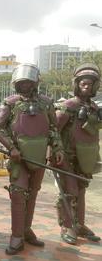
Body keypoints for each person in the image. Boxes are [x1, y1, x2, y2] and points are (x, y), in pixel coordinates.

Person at [0, 63, 64, 255]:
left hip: (39, 157)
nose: (25, 85)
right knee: (18, 194)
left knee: (33, 194)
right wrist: (12, 148)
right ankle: (16, 236)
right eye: (21, 82)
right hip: (18, 159)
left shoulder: (47, 103)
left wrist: (57, 148)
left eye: (28, 82)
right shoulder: (10, 103)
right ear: (16, 83)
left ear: (35, 83)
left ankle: (26, 230)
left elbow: (54, 129)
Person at [54, 63, 101, 244]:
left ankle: (79, 224)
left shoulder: (94, 108)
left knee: (81, 191)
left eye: (90, 83)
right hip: (67, 156)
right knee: (70, 191)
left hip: (85, 157)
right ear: (77, 84)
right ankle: (67, 225)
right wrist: (55, 151)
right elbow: (54, 129)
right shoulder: (69, 106)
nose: (86, 86)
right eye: (83, 83)